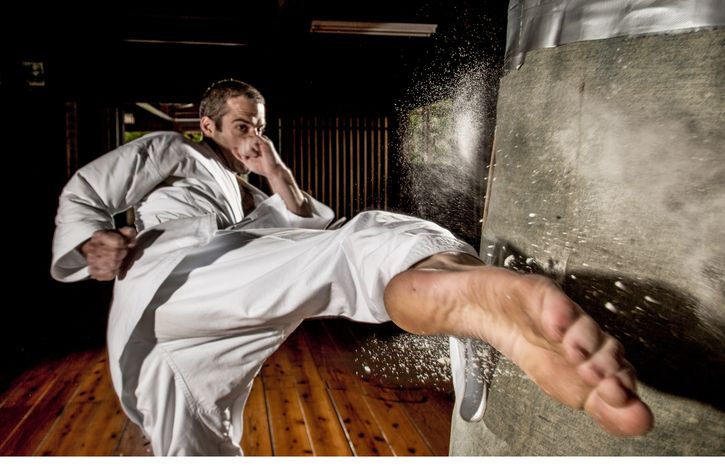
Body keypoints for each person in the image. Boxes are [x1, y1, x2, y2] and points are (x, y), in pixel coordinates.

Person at [51, 79, 653, 455]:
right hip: (176, 282)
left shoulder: (254, 201)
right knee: (352, 244)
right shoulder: (173, 151)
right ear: (206, 126)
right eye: (241, 126)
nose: (253, 137)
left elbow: (307, 225)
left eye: (260, 126)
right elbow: (84, 193)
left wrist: (278, 175)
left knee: (174, 442)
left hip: (202, 346)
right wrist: (93, 243)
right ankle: (461, 298)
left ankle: (467, 295)